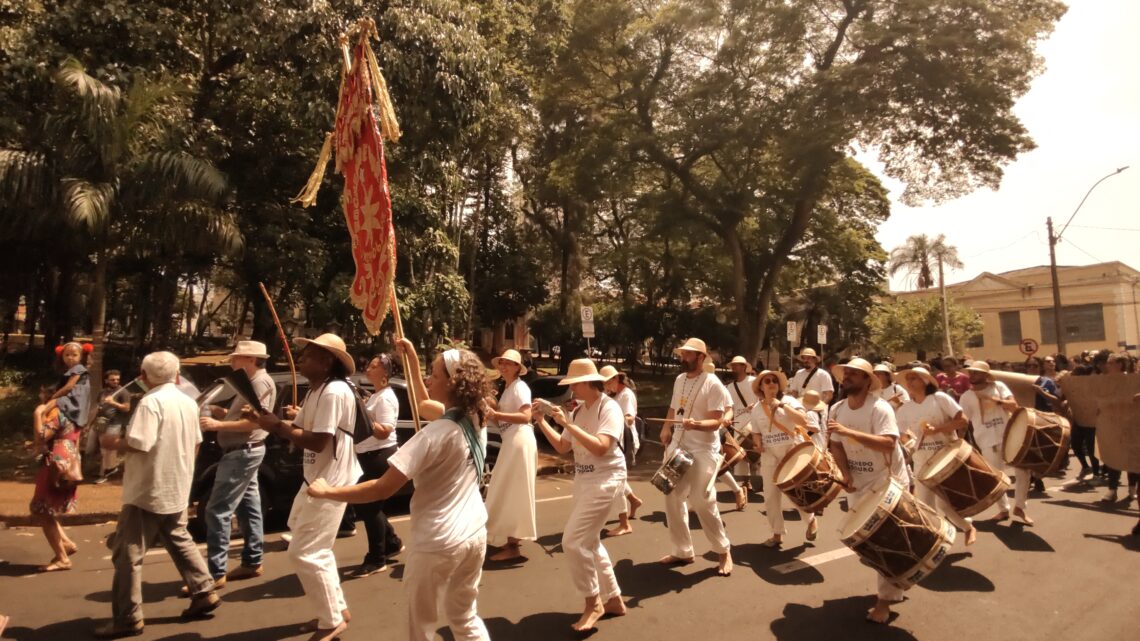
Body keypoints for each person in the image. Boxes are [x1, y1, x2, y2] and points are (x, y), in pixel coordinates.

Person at [307, 340, 491, 641]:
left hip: (438, 543)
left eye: (433, 373)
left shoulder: (433, 435)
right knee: (464, 616)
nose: (428, 378)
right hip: (474, 533)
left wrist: (329, 491)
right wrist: (413, 362)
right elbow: (425, 404)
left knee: (420, 628)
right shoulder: (476, 416)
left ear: (453, 381)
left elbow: (381, 489)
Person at [95, 352, 219, 639]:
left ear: (143, 374)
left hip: (148, 489)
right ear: (177, 376)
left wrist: (113, 441)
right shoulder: (188, 402)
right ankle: (203, 589)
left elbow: (140, 442)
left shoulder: (151, 402)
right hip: (175, 483)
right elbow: (196, 443)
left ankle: (128, 617)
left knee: (127, 554)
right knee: (177, 537)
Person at [256, 333, 361, 641]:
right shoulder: (318, 390)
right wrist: (277, 420)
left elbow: (318, 440)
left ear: (327, 361)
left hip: (331, 481)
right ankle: (336, 610)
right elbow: (300, 429)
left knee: (305, 552)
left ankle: (330, 621)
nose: (300, 359)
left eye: (309, 355)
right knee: (316, 548)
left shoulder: (334, 391)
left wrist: (277, 426)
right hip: (316, 477)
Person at [535, 359, 629, 633]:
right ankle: (613, 599)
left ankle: (593, 602)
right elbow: (563, 447)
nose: (571, 389)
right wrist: (542, 420)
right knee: (589, 541)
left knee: (573, 541)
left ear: (588, 382)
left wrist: (567, 423)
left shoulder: (609, 408)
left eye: (573, 384)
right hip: (585, 479)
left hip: (607, 478)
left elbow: (601, 447)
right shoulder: (577, 412)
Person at [826, 358, 910, 625]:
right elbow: (836, 445)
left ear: (866, 380)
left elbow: (888, 444)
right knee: (867, 543)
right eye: (845, 373)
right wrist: (846, 474)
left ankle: (884, 602)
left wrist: (846, 431)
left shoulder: (880, 408)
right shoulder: (837, 409)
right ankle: (899, 575)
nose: (847, 377)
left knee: (884, 542)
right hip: (859, 483)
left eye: (853, 374)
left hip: (889, 482)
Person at [196, 341, 276, 591]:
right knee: (248, 507)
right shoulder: (248, 382)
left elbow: (256, 423)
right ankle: (252, 561)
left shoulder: (260, 383)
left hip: (243, 451)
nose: (232, 361)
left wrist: (218, 425)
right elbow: (243, 417)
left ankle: (215, 572)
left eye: (237, 357)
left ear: (251, 360)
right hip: (242, 451)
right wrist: (222, 413)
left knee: (217, 509)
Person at [657, 338, 733, 576]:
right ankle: (683, 550)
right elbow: (672, 408)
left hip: (703, 450)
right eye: (683, 354)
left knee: (702, 501)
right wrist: (666, 428)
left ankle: (723, 551)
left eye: (689, 354)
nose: (683, 357)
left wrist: (697, 424)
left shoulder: (713, 383)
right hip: (678, 448)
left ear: (701, 357)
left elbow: (717, 421)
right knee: (671, 496)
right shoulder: (679, 380)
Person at [895, 367, 977, 546]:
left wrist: (938, 430)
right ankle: (934, 541)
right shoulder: (905, 409)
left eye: (914, 378)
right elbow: (901, 433)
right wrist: (909, 443)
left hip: (945, 457)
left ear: (926, 381)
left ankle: (968, 527)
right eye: (907, 379)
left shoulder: (940, 399)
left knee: (944, 504)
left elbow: (963, 420)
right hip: (922, 460)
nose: (909, 382)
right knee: (924, 504)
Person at [348, 352, 404, 576]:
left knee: (368, 507)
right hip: (367, 454)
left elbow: (384, 431)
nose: (368, 368)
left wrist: (363, 413)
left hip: (379, 455)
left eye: (373, 365)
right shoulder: (376, 396)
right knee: (368, 506)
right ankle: (391, 541)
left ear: (385, 373)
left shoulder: (387, 398)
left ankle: (376, 558)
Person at [958, 361, 1032, 525]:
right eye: (971, 372)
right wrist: (959, 442)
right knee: (996, 479)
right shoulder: (966, 397)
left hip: (1010, 436)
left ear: (985, 375)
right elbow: (964, 422)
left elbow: (1014, 406)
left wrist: (992, 399)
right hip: (986, 440)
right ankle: (1003, 509)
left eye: (976, 372)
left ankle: (1019, 506)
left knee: (1023, 471)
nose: (972, 375)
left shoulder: (999, 386)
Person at [750, 370, 818, 547]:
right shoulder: (756, 409)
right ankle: (777, 533)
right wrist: (757, 444)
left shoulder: (789, 401)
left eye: (774, 381)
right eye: (767, 381)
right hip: (769, 456)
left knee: (795, 493)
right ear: (761, 386)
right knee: (770, 498)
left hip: (792, 452)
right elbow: (756, 432)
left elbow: (803, 421)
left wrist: (781, 406)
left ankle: (810, 520)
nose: (771, 383)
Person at [484, 348, 537, 561]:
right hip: (511, 439)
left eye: (508, 363)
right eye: (502, 362)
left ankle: (513, 545)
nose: (503, 366)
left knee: (512, 490)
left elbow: (525, 416)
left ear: (517, 367)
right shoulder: (508, 388)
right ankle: (511, 540)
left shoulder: (520, 387)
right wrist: (491, 405)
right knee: (507, 489)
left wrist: (496, 413)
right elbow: (501, 419)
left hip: (519, 439)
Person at [29, 384, 80, 572]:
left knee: (43, 508)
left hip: (55, 464)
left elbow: (42, 436)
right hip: (68, 460)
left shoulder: (56, 413)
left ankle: (62, 558)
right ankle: (66, 543)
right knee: (48, 509)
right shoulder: (74, 412)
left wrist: (37, 414)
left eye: (42, 392)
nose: (40, 395)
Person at [600, 365, 643, 537]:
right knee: (616, 476)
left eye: (606, 382)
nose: (604, 386)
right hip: (616, 441)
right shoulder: (613, 395)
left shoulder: (626, 395)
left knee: (615, 478)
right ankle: (633, 501)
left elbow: (630, 418)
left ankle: (624, 523)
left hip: (625, 441)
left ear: (615, 379)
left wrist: (615, 420)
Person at [725, 355, 760, 492]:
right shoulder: (729, 387)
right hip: (738, 423)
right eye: (733, 365)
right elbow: (729, 407)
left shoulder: (754, 381)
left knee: (758, 449)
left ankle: (762, 479)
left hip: (755, 420)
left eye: (737, 365)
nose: (734, 367)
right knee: (743, 454)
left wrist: (757, 405)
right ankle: (746, 481)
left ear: (744, 367)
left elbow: (762, 396)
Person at [89, 369, 129, 483]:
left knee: (107, 450)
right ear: (106, 380)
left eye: (117, 379)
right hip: (100, 423)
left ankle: (104, 474)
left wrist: (113, 403)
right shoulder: (102, 392)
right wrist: (89, 424)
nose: (115, 381)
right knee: (97, 449)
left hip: (114, 424)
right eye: (112, 380)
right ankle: (105, 470)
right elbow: (97, 408)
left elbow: (126, 408)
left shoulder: (123, 392)